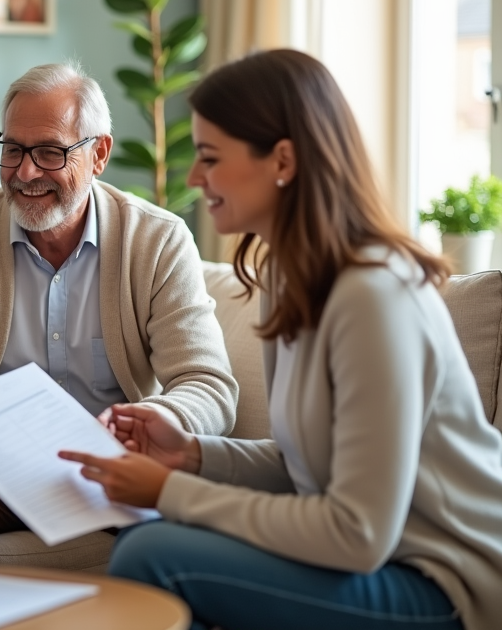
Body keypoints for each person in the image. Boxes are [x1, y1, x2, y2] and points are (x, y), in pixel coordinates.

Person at [61, 49, 502, 630]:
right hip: (388, 560)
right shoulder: (286, 278)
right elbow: (308, 464)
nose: (195, 179)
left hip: (449, 580)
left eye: (210, 158)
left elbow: (358, 533)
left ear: (283, 160)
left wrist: (170, 490)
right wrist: (191, 454)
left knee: (154, 552)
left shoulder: (374, 296)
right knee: (159, 542)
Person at [0, 61, 238, 564]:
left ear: (99, 154)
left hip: (112, 466)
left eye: (49, 152)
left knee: (171, 518)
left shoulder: (158, 240)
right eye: (14, 150)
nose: (25, 173)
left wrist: (151, 422)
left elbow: (209, 385)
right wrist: (9, 452)